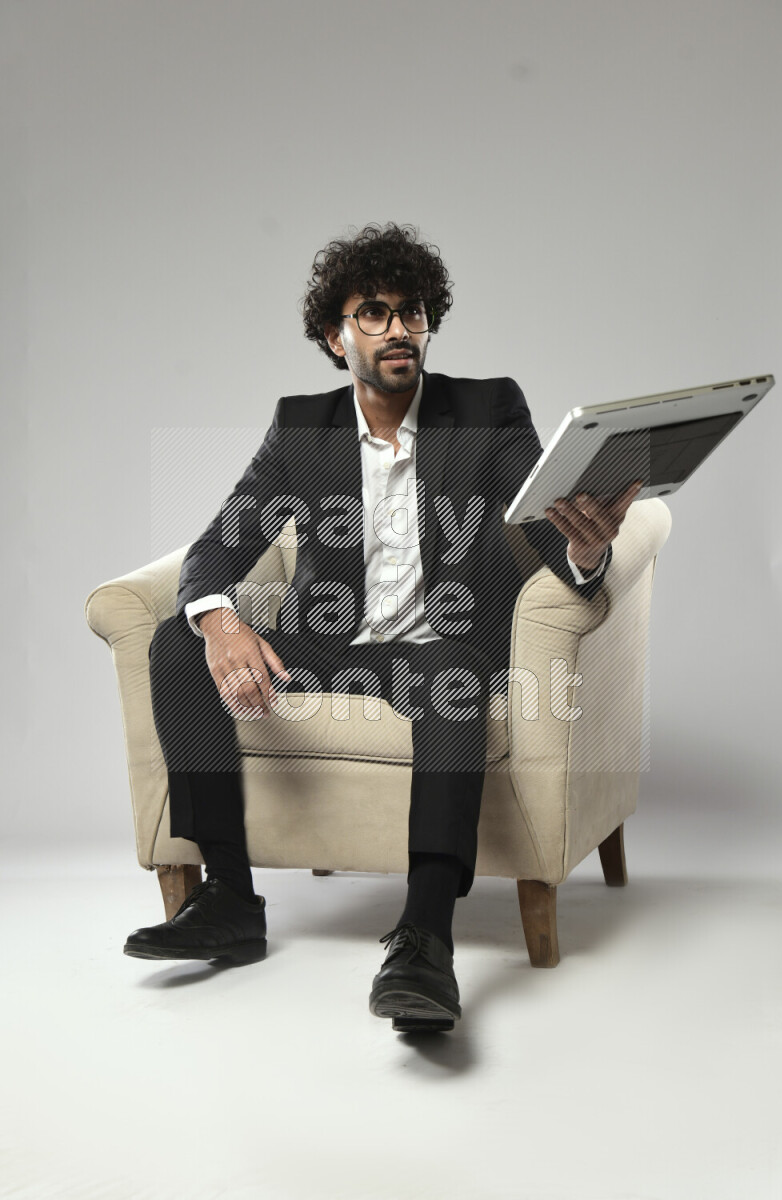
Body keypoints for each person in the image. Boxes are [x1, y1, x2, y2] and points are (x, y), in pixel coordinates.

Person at [124, 222, 641, 1033]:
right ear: (336, 336)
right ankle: (228, 898)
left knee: (455, 685)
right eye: (374, 312)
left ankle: (425, 935)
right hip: (334, 649)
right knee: (174, 645)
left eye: (413, 311)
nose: (399, 328)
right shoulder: (303, 427)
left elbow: (547, 536)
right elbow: (219, 545)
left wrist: (583, 549)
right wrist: (219, 619)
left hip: (446, 651)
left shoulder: (488, 408)